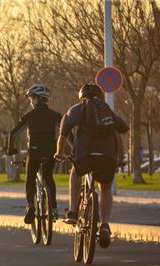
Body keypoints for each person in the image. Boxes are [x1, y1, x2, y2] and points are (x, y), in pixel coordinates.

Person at [54, 83, 129, 249]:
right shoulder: (106, 109)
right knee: (106, 189)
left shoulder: (77, 109)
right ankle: (105, 225)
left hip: (84, 155)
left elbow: (64, 131)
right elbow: (122, 129)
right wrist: (120, 158)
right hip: (108, 157)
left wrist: (60, 153)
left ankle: (73, 211)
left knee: (75, 173)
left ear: (81, 96)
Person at [7, 84, 62, 224]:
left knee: (30, 178)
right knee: (49, 177)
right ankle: (54, 208)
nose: (30, 101)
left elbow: (13, 133)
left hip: (35, 150)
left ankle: (30, 206)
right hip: (50, 151)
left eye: (31, 98)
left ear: (37, 99)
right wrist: (72, 149)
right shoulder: (55, 115)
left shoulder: (29, 115)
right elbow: (66, 133)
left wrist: (10, 149)